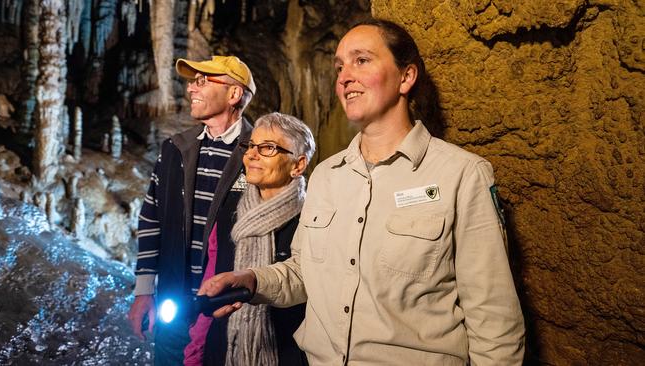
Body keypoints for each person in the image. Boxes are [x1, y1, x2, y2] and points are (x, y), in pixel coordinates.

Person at [199, 19, 526, 365]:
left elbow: (494, 318)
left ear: (406, 76)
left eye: (362, 60)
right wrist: (251, 280)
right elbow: (304, 273)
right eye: (339, 66)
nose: (344, 76)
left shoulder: (461, 175)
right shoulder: (325, 177)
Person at [127, 54, 256, 365]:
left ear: (234, 94)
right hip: (178, 303)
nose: (190, 89)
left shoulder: (259, 152)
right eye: (191, 82)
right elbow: (151, 219)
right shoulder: (175, 150)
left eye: (202, 81)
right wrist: (144, 291)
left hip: (232, 309)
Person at [193, 112, 314, 366]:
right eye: (250, 146)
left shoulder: (313, 219)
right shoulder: (230, 207)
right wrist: (196, 341)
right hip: (223, 346)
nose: (251, 155)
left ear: (298, 165)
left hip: (285, 352)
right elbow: (213, 270)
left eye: (268, 148)